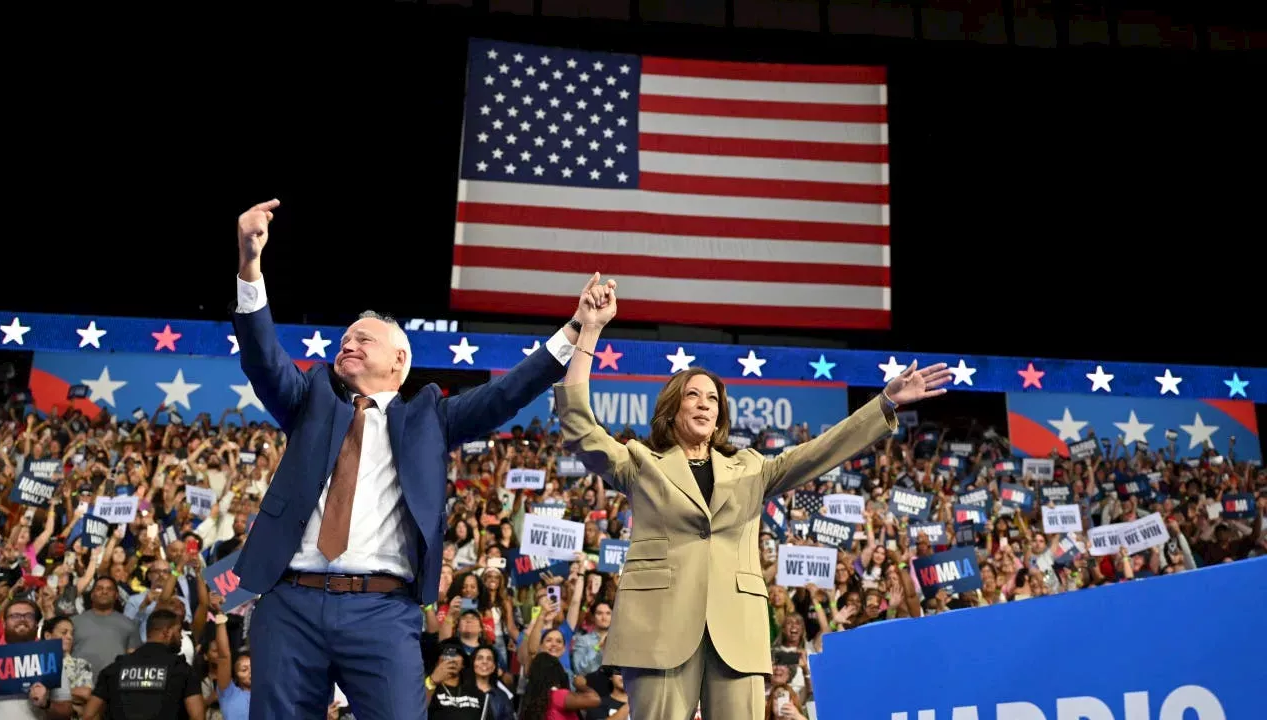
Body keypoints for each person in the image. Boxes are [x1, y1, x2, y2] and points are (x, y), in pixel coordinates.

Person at [227, 199, 598, 720]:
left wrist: (574, 329)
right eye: (345, 338)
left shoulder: (429, 417)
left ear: (400, 360)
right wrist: (250, 263)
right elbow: (263, 358)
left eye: (363, 338)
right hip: (291, 604)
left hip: (382, 610)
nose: (347, 343)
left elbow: (506, 394)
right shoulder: (310, 399)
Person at [552, 279, 950, 720]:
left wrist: (883, 404)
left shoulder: (751, 468)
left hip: (736, 631)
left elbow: (817, 454)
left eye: (713, 399)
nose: (705, 405)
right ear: (671, 408)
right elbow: (579, 426)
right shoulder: (641, 462)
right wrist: (588, 330)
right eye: (692, 395)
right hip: (657, 629)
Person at [82, 609, 203, 720]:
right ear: (167, 632)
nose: (181, 637)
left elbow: (89, 715)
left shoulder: (116, 668)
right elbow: (197, 717)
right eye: (178, 631)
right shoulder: (181, 669)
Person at [0, 598, 73, 719]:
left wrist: (46, 704)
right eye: (14, 616)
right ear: (4, 624)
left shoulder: (51, 658)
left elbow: (66, 713)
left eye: (29, 616)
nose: (22, 619)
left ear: (37, 624)